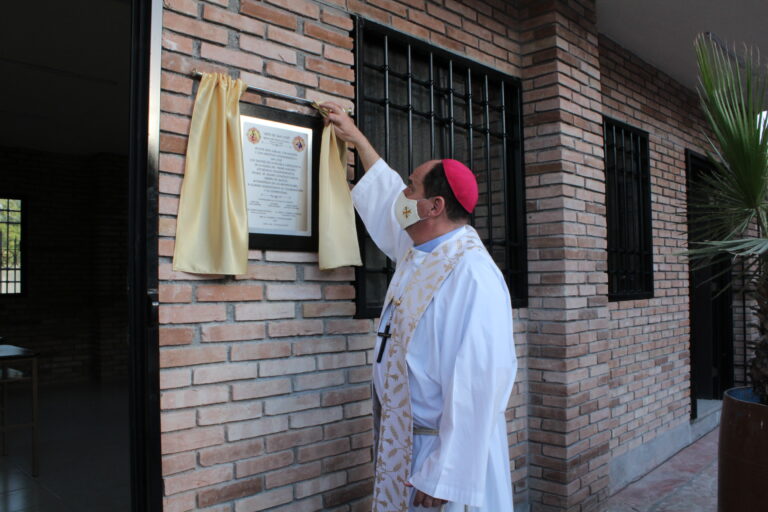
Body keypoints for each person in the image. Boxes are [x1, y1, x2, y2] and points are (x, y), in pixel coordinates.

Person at [321, 102, 518, 512]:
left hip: (442, 457)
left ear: (435, 207)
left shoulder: (472, 275)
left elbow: (481, 381)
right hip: (408, 440)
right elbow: (384, 199)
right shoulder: (421, 251)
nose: (403, 195)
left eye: (412, 188)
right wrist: (355, 138)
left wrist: (447, 472)